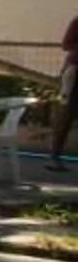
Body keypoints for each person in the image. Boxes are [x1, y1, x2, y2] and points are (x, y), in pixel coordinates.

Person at [53, 9, 78, 168]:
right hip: (76, 69)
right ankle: (55, 155)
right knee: (67, 113)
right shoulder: (77, 22)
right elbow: (66, 44)